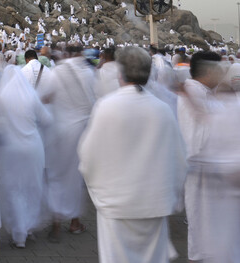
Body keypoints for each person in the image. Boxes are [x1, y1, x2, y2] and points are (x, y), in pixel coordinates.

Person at [78, 47, 186, 262]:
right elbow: (179, 159)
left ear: (120, 73)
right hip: (154, 203)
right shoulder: (162, 109)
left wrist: (100, 192)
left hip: (115, 203)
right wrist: (171, 196)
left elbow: (88, 156)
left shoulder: (106, 106)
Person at [37, 45, 95, 241]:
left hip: (58, 132)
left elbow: (45, 97)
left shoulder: (58, 71)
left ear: (68, 53)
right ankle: (75, 223)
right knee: (76, 179)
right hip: (80, 133)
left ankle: (55, 224)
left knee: (56, 177)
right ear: (81, 54)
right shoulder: (88, 73)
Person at [0, 65, 51, 248]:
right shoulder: (31, 95)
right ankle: (29, 227)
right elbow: (48, 119)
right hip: (33, 148)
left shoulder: (1, 96)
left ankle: (19, 235)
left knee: (14, 191)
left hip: (11, 150)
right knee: (31, 188)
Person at [177, 50, 226, 262]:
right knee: (201, 224)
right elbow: (199, 137)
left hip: (205, 170)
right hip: (202, 170)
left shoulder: (200, 92)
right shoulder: (195, 94)